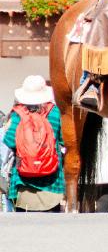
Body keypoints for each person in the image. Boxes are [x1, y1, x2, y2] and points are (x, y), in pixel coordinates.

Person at [3, 76, 64, 212]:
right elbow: (64, 141)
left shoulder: (17, 114)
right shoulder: (55, 112)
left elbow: (9, 141)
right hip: (52, 183)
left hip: (23, 183)